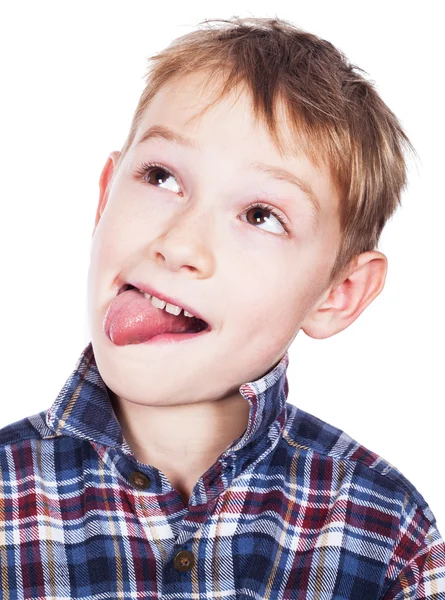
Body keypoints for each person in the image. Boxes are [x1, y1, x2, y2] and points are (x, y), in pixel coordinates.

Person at [0, 15, 443, 600]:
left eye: (261, 215)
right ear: (105, 196)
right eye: (161, 177)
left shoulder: (388, 536)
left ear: (340, 293)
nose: (180, 243)